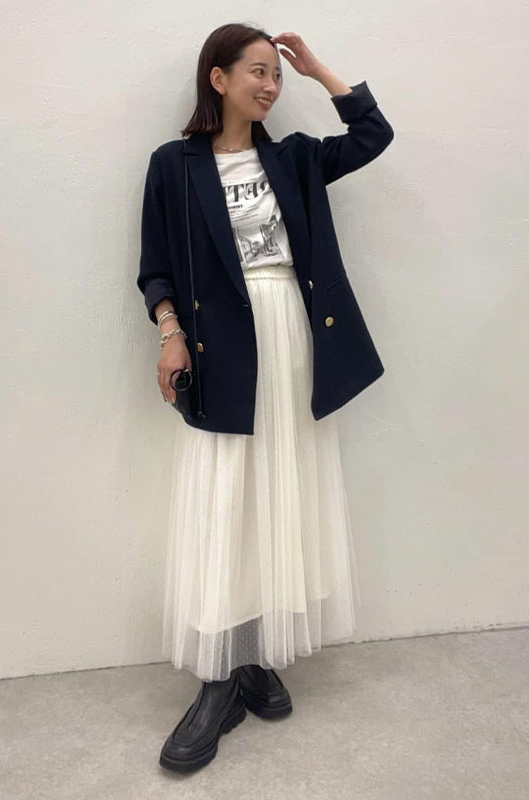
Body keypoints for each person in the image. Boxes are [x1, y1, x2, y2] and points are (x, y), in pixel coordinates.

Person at [137, 23, 395, 773]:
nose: (271, 86)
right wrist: (170, 334)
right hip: (219, 345)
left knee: (277, 489)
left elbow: (374, 135)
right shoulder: (173, 165)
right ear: (217, 79)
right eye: (258, 72)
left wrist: (317, 70)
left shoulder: (294, 158)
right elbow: (155, 264)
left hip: (288, 334)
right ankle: (218, 678)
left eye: (276, 76)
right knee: (226, 499)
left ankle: (254, 657)